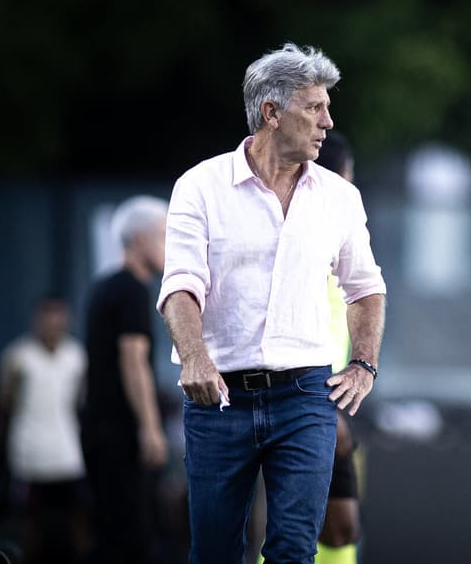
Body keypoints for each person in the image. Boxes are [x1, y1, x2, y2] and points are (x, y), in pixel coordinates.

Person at [157, 43, 386, 564]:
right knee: (214, 552)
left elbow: (366, 288)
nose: (328, 121)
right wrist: (193, 356)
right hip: (217, 397)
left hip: (306, 394)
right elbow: (179, 287)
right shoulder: (200, 186)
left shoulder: (340, 196)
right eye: (315, 107)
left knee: (292, 551)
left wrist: (364, 363)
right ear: (271, 112)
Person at [246, 130, 365, 564]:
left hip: (324, 399)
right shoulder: (313, 234)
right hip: (312, 400)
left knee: (324, 528)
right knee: (325, 528)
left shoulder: (338, 231)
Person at [81, 195, 171, 564]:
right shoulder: (131, 290)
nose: (171, 246)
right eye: (164, 235)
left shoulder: (106, 286)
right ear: (139, 240)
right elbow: (133, 361)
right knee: (130, 538)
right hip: (120, 433)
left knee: (112, 532)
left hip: (99, 430)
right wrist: (150, 428)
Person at [0, 295, 88, 564]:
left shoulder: (76, 356)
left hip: (67, 455)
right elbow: (6, 403)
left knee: (77, 521)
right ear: (37, 320)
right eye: (48, 316)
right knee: (29, 526)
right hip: (29, 456)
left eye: (59, 316)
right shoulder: (17, 357)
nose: (53, 323)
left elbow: (78, 401)